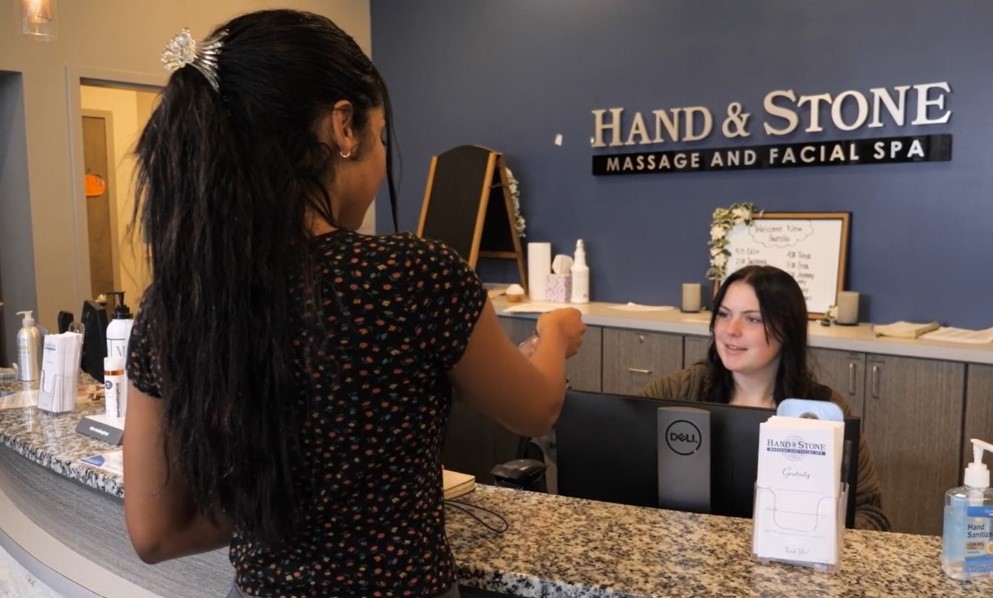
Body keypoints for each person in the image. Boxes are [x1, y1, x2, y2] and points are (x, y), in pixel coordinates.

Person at [121, 10, 585, 598]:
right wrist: (555, 333)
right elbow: (537, 408)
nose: (383, 154)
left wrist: (282, 496)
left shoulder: (175, 307)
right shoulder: (410, 276)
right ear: (344, 127)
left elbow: (155, 534)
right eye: (382, 134)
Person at [638, 265, 891, 531]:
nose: (730, 330)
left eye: (752, 319)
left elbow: (870, 514)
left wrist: (820, 535)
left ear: (787, 330)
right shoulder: (678, 391)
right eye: (724, 314)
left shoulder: (825, 410)